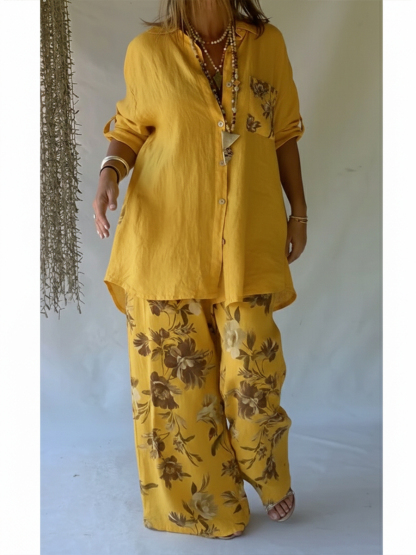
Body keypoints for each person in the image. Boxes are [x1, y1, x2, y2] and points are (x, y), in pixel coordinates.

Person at [93, 0, 307, 540]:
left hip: (247, 241)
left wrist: (298, 211)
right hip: (166, 245)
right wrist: (110, 172)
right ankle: (206, 510)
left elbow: (283, 131)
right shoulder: (148, 51)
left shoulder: (267, 45)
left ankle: (265, 466)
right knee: (178, 393)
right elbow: (130, 126)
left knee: (253, 374)